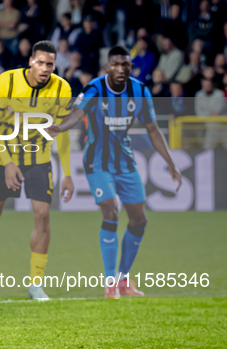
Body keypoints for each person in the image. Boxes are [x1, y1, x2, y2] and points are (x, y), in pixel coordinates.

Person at [46, 47, 182, 298]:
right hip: (97, 161)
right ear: (108, 67)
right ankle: (110, 282)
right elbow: (76, 115)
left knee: (139, 220)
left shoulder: (140, 91)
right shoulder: (95, 89)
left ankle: (123, 280)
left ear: (131, 68)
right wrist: (60, 127)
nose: (121, 69)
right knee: (110, 210)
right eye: (116, 65)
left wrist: (170, 162)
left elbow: (152, 129)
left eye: (126, 65)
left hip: (125, 162)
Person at [0, 41, 74, 300]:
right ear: (31, 61)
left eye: (50, 64)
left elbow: (60, 134)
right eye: (40, 62)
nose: (45, 68)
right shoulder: (6, 81)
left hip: (38, 160)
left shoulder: (62, 88)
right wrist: (7, 163)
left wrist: (68, 174)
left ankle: (36, 283)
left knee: (42, 216)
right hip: (1, 158)